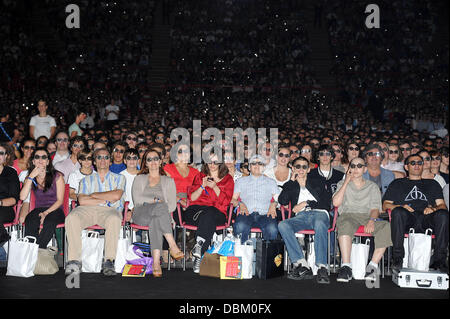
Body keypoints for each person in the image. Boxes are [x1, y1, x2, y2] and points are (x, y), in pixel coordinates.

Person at [64, 147, 126, 276]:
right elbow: (82, 200)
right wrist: (104, 199)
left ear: (110, 161)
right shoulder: (85, 180)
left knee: (114, 219)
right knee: (72, 217)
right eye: (99, 157)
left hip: (110, 211)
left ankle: (109, 261)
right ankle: (74, 260)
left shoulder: (120, 178)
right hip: (87, 210)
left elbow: (116, 196)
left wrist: (93, 195)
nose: (103, 160)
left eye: (106, 157)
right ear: (94, 161)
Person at [383, 154, 448, 273]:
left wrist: (433, 209)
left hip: (427, 218)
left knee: (443, 214)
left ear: (423, 166)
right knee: (397, 212)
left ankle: (440, 260)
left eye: (419, 163)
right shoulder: (398, 183)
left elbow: (442, 205)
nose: (417, 165)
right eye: (413, 163)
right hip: (407, 218)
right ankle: (397, 258)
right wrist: (400, 206)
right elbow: (385, 205)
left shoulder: (433, 183)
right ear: (406, 167)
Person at [333, 157, 392, 282]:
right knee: (345, 223)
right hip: (348, 215)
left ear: (364, 169)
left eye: (359, 166)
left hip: (367, 216)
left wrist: (372, 220)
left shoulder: (372, 186)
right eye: (353, 166)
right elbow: (336, 203)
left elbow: (375, 208)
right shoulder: (341, 184)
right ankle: (346, 267)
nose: (355, 169)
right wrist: (346, 181)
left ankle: (372, 266)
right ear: (349, 169)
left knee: (385, 226)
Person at [278, 156, 332, 284]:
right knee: (283, 225)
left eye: (304, 167)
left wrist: (305, 203)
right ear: (293, 168)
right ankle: (302, 264)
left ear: (308, 169)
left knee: (319, 224)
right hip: (301, 216)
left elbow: (326, 203)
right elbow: (282, 201)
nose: (301, 169)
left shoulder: (317, 181)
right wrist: (291, 180)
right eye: (298, 166)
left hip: (319, 213)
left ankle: (322, 267)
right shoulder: (290, 184)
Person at [130, 149, 184, 277]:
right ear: (146, 163)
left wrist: (157, 203)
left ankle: (155, 263)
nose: (153, 162)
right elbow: (137, 200)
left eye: (156, 159)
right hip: (141, 213)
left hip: (160, 215)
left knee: (156, 219)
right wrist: (154, 201)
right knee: (160, 206)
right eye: (149, 159)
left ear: (160, 162)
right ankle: (172, 245)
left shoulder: (168, 181)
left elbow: (171, 206)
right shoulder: (140, 178)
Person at [185, 153, 234, 273]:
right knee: (208, 214)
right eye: (209, 161)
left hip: (217, 214)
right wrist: (202, 186)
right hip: (196, 211)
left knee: (211, 213)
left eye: (215, 162)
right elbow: (192, 198)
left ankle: (199, 247)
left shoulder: (228, 179)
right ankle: (199, 252)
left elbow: (226, 202)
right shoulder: (200, 176)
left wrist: (215, 187)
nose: (212, 165)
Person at [19, 148, 65, 249]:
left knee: (49, 222)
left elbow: (60, 201)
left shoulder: (57, 176)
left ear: (48, 161)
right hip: (39, 209)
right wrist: (31, 176)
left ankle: (39, 250)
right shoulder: (30, 177)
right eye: (37, 157)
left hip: (55, 210)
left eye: (44, 157)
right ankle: (32, 249)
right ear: (33, 161)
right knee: (30, 220)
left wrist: (46, 213)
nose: (40, 160)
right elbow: (22, 197)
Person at [232, 155, 280, 244]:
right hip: (246, 213)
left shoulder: (271, 182)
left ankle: (267, 256)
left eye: (260, 163)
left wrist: (274, 204)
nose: (257, 166)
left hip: (265, 213)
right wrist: (240, 203)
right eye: (253, 163)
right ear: (249, 167)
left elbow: (279, 200)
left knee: (272, 229)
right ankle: (243, 254)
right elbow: (233, 199)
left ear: (264, 167)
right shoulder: (240, 181)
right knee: (239, 226)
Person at [0, 143, 20, 247]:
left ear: (6, 156)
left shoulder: (11, 173)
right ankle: (3, 237)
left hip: (5, 208)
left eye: (1, 153)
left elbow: (14, 199)